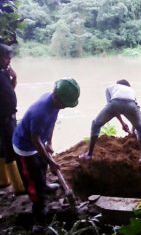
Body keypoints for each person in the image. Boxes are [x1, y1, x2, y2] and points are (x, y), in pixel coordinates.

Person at [12, 78, 80, 229]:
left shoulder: (55, 104)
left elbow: (52, 122)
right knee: (32, 179)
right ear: (56, 97)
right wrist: (51, 162)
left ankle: (44, 185)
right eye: (65, 104)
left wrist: (49, 142)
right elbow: (34, 139)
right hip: (24, 147)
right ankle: (39, 216)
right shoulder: (40, 111)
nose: (65, 107)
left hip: (37, 142)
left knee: (42, 167)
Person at [80, 79, 141, 162]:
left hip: (114, 103)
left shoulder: (111, 88)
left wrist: (122, 123)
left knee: (96, 124)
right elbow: (136, 110)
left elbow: (113, 107)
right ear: (128, 86)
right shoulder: (131, 91)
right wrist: (133, 129)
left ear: (117, 85)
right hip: (131, 104)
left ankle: (89, 154)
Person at [0, 42, 25, 193]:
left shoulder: (3, 73)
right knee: (11, 149)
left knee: (2, 150)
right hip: (4, 118)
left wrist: (13, 78)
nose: (9, 60)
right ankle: (20, 187)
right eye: (6, 57)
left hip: (7, 116)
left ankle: (3, 181)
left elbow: (8, 91)